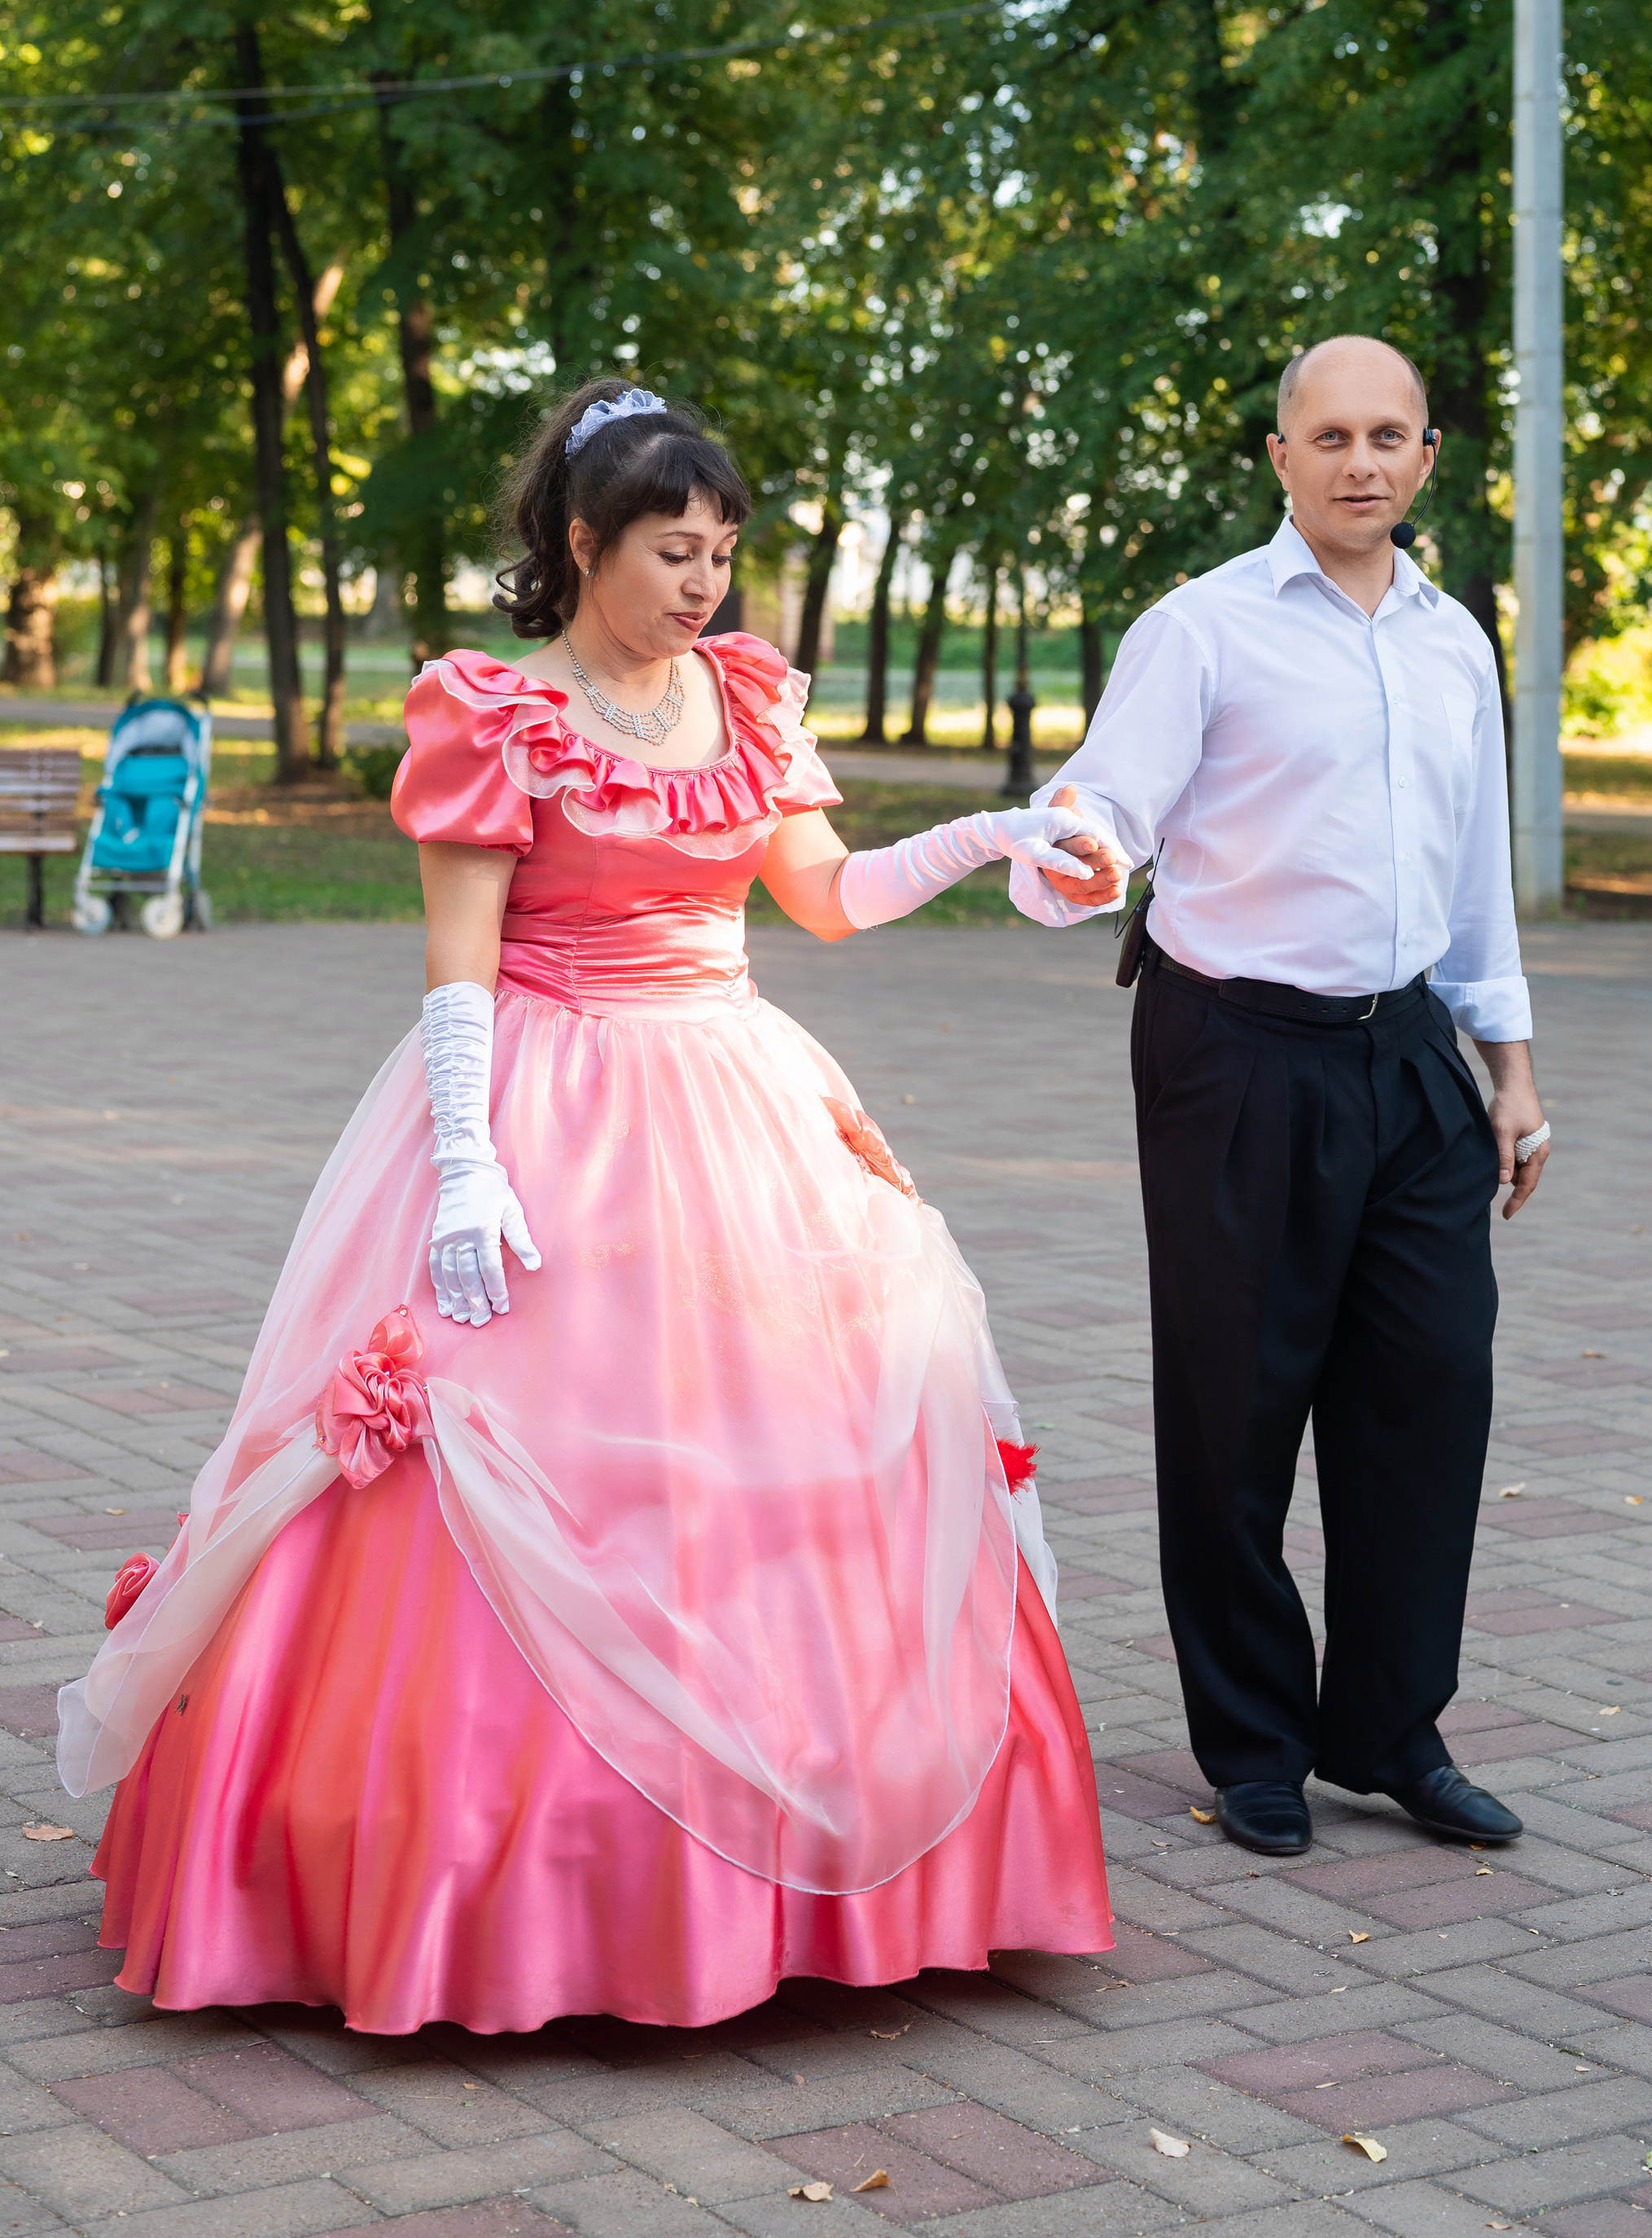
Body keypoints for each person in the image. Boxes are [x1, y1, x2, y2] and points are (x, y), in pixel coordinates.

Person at [59, 379, 1127, 2034]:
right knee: (501, 1456)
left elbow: (823, 903)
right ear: (581, 542)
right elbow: (460, 959)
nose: (702, 586)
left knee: (776, 1453)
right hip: (541, 1105)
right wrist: (469, 1162)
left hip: (734, 1099)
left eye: (718, 555)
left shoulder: (748, 699)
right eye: (669, 552)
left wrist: (986, 837)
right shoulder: (494, 709)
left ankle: (800, 1872)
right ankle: (509, 1880)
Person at [1014, 335, 1551, 1859]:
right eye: (1331, 435)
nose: (1361, 462)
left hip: (1410, 1065)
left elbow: (1473, 879)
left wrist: (1508, 1072)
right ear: (1279, 454)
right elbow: (1108, 799)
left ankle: (1390, 1731)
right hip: (1233, 1054)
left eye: (1389, 436)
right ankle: (1255, 1738)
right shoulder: (1201, 629)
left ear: (1428, 457)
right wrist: (1079, 846)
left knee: (1430, 1393)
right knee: (1237, 1402)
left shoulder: (1456, 643)